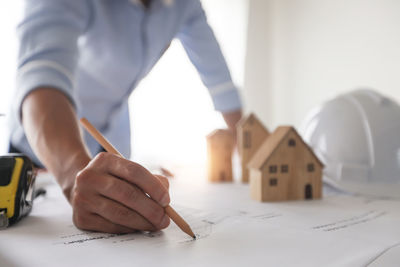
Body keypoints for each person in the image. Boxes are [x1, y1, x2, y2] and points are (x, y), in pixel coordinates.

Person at [9, 0, 242, 233]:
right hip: (46, 148)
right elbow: (41, 72)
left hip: (109, 141)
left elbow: (219, 79)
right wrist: (73, 176)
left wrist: (249, 143)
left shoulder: (184, 5)